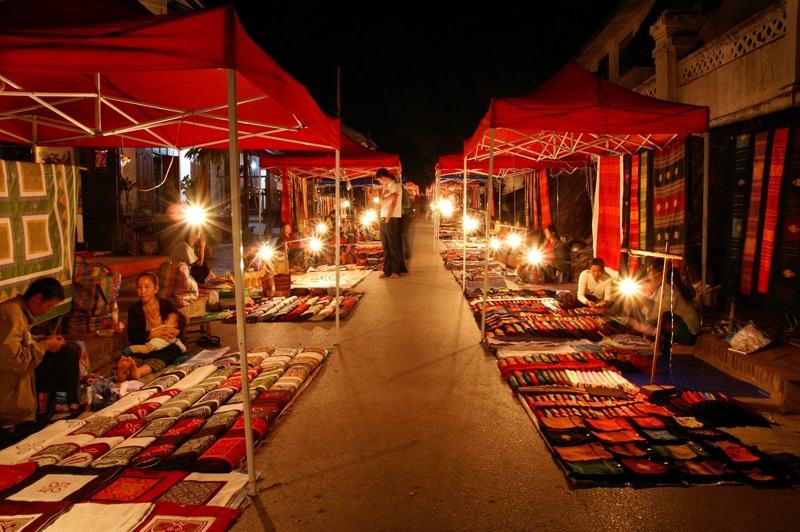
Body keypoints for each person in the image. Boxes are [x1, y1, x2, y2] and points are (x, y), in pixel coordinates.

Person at [0, 278, 82, 443]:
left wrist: (44, 340)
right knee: (68, 352)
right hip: (9, 384)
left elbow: (24, 342)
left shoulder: (19, 312)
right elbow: (14, 361)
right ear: (37, 298)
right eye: (49, 306)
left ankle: (65, 400)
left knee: (69, 349)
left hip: (22, 368)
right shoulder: (12, 314)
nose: (47, 312)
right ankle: (57, 400)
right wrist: (44, 345)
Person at [117, 272, 183, 382]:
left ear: (155, 289)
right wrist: (152, 334)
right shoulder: (134, 310)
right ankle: (124, 372)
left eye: (147, 287)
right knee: (134, 353)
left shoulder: (166, 305)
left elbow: (180, 323)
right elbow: (133, 336)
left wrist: (176, 332)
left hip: (163, 347)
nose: (142, 291)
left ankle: (139, 372)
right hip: (144, 345)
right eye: (139, 287)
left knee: (172, 350)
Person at [627, 258, 700, 347]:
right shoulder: (662, 288)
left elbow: (658, 314)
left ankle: (660, 342)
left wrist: (636, 323)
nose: (649, 277)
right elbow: (652, 306)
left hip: (688, 334)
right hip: (684, 331)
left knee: (663, 316)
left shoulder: (668, 288)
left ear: (659, 273)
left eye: (650, 272)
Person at [121, 311, 186, 364]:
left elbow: (181, 346)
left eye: (167, 319)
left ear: (175, 324)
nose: (165, 321)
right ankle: (126, 362)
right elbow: (152, 331)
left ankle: (126, 357)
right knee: (135, 352)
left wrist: (177, 332)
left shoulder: (174, 338)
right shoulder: (162, 327)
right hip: (148, 345)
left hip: (150, 348)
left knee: (128, 350)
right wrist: (153, 333)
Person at [375, 168, 406, 278]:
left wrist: (388, 217)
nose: (380, 182)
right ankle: (387, 270)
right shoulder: (386, 187)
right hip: (383, 217)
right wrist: (386, 198)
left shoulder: (396, 186)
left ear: (383, 177)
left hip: (391, 218)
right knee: (386, 246)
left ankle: (395, 270)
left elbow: (394, 203)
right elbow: (382, 201)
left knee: (393, 245)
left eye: (379, 180)